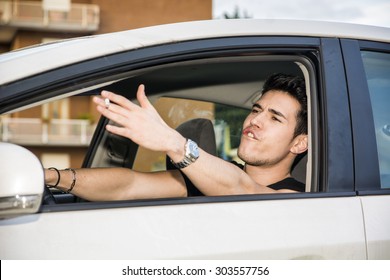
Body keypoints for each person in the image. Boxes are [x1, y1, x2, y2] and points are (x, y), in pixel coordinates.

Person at [45, 73, 308, 201]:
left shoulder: (299, 198)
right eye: (256, 110)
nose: (255, 121)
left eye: (275, 118)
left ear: (299, 142)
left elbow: (243, 189)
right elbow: (129, 185)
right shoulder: (213, 178)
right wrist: (52, 176)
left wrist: (174, 142)